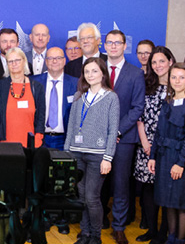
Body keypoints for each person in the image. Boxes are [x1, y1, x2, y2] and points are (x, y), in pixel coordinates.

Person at [65, 57, 119, 244]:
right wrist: (67, 154)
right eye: (87, 72)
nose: (90, 75)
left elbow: (113, 130)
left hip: (98, 156)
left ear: (103, 73)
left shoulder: (111, 97)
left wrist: (108, 157)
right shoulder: (79, 96)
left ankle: (96, 237)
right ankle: (85, 234)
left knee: (92, 198)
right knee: (81, 197)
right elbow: (71, 126)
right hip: (77, 153)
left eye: (94, 71)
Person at [146, 63, 185, 244]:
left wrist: (181, 163)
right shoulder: (167, 102)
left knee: (182, 203)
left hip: (180, 159)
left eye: (182, 77)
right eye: (174, 77)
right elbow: (158, 132)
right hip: (163, 157)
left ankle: (180, 240)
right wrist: (153, 156)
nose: (177, 81)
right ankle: (170, 238)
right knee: (167, 201)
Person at [99, 30, 146, 244]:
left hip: (123, 138)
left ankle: (118, 226)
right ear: (104, 45)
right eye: (110, 42)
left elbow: (137, 108)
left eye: (118, 43)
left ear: (125, 46)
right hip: (97, 137)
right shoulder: (96, 68)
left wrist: (117, 130)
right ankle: (94, 222)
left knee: (120, 183)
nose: (114, 46)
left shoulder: (135, 73)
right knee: (95, 183)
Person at [134, 46, 175, 242]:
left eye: (161, 61)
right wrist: (144, 141)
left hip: (168, 146)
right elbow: (139, 115)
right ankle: (151, 229)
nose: (158, 65)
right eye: (154, 62)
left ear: (170, 62)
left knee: (165, 190)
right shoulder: (145, 84)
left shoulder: (178, 87)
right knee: (148, 190)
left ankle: (163, 233)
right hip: (146, 145)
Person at [0, 48, 45, 147]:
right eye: (10, 61)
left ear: (24, 61)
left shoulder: (36, 87)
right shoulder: (0, 86)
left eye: (17, 60)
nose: (14, 64)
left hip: (30, 145)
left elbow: (41, 117)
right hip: (4, 145)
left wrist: (37, 141)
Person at [31, 47, 78, 151]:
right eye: (51, 58)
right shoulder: (34, 82)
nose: (55, 61)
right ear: (46, 61)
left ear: (64, 61)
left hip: (65, 139)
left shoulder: (76, 84)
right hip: (40, 138)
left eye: (59, 58)